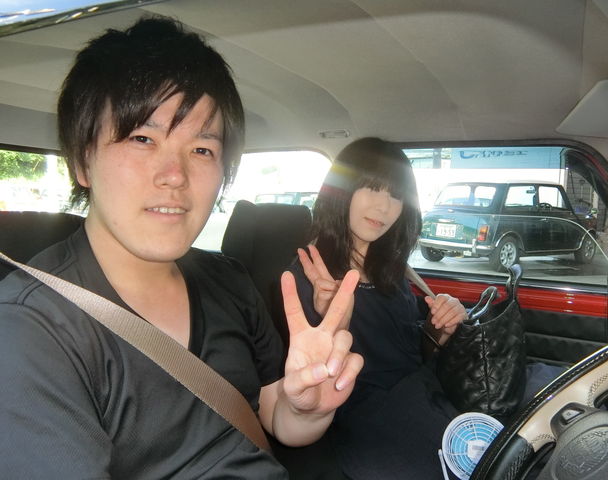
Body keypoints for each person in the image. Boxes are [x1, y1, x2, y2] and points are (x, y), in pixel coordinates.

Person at [0, 17, 363, 478]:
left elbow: (272, 414)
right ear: (82, 162)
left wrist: (306, 410)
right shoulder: (29, 331)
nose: (175, 175)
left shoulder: (229, 279)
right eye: (142, 138)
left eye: (202, 149)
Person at [289, 137, 468, 479]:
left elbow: (409, 351)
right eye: (372, 188)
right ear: (342, 190)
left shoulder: (392, 269)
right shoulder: (311, 274)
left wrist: (440, 330)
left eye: (396, 195)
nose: (384, 207)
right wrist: (332, 320)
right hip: (367, 420)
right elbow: (310, 381)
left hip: (424, 395)